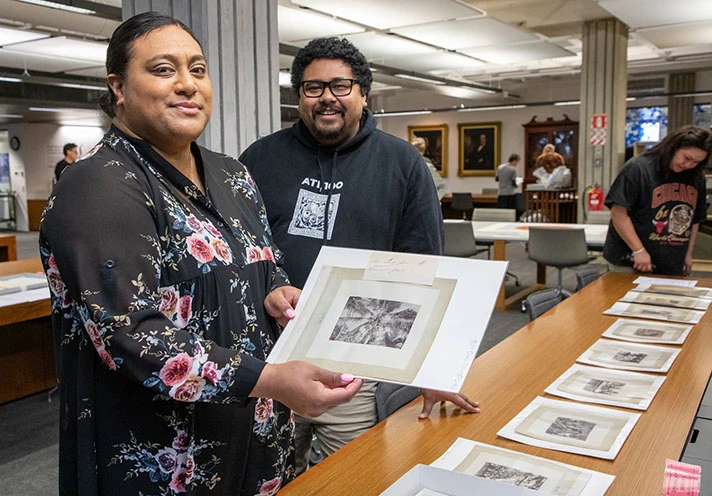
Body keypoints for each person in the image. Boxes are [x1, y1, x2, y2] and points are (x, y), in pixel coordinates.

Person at [39, 13, 362, 495]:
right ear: (119, 86)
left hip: (251, 431)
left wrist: (275, 289)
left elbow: (262, 260)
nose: (188, 85)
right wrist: (271, 379)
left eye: (198, 69)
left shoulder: (232, 174)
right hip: (164, 452)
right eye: (164, 70)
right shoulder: (98, 185)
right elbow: (130, 335)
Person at [239, 36, 479, 475]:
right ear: (300, 97)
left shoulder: (403, 164)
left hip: (353, 366)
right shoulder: (258, 159)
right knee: (261, 476)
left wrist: (434, 367)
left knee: (344, 478)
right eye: (313, 88)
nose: (327, 97)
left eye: (340, 85)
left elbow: (427, 271)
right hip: (270, 359)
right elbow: (238, 250)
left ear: (363, 93)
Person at [603, 125, 712, 276]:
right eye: (687, 158)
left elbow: (694, 220)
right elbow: (618, 213)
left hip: (671, 261)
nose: (688, 165)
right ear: (673, 147)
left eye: (696, 162)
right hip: (631, 259)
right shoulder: (639, 168)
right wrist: (638, 250)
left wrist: (688, 254)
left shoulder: (695, 176)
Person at [411, 135, 446, 200]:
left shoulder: (427, 165)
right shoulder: (406, 165)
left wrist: (434, 201)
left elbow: (442, 186)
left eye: (420, 151)